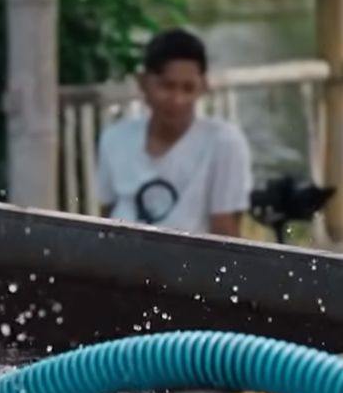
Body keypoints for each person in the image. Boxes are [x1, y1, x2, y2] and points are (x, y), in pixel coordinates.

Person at [95, 28, 253, 237]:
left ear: (203, 86)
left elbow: (226, 234)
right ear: (143, 82)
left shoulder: (224, 142)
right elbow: (107, 217)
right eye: (167, 86)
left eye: (188, 88)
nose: (177, 100)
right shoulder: (115, 138)